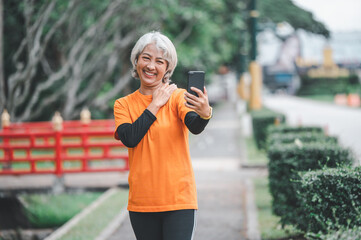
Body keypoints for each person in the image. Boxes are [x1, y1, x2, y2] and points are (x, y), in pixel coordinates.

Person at [114, 31, 212, 240]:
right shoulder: (123, 104)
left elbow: (194, 126)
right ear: (136, 60)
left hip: (179, 201)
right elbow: (129, 138)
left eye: (160, 61)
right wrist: (155, 104)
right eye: (146, 58)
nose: (151, 66)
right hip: (142, 202)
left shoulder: (178, 97)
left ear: (167, 69)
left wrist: (204, 114)